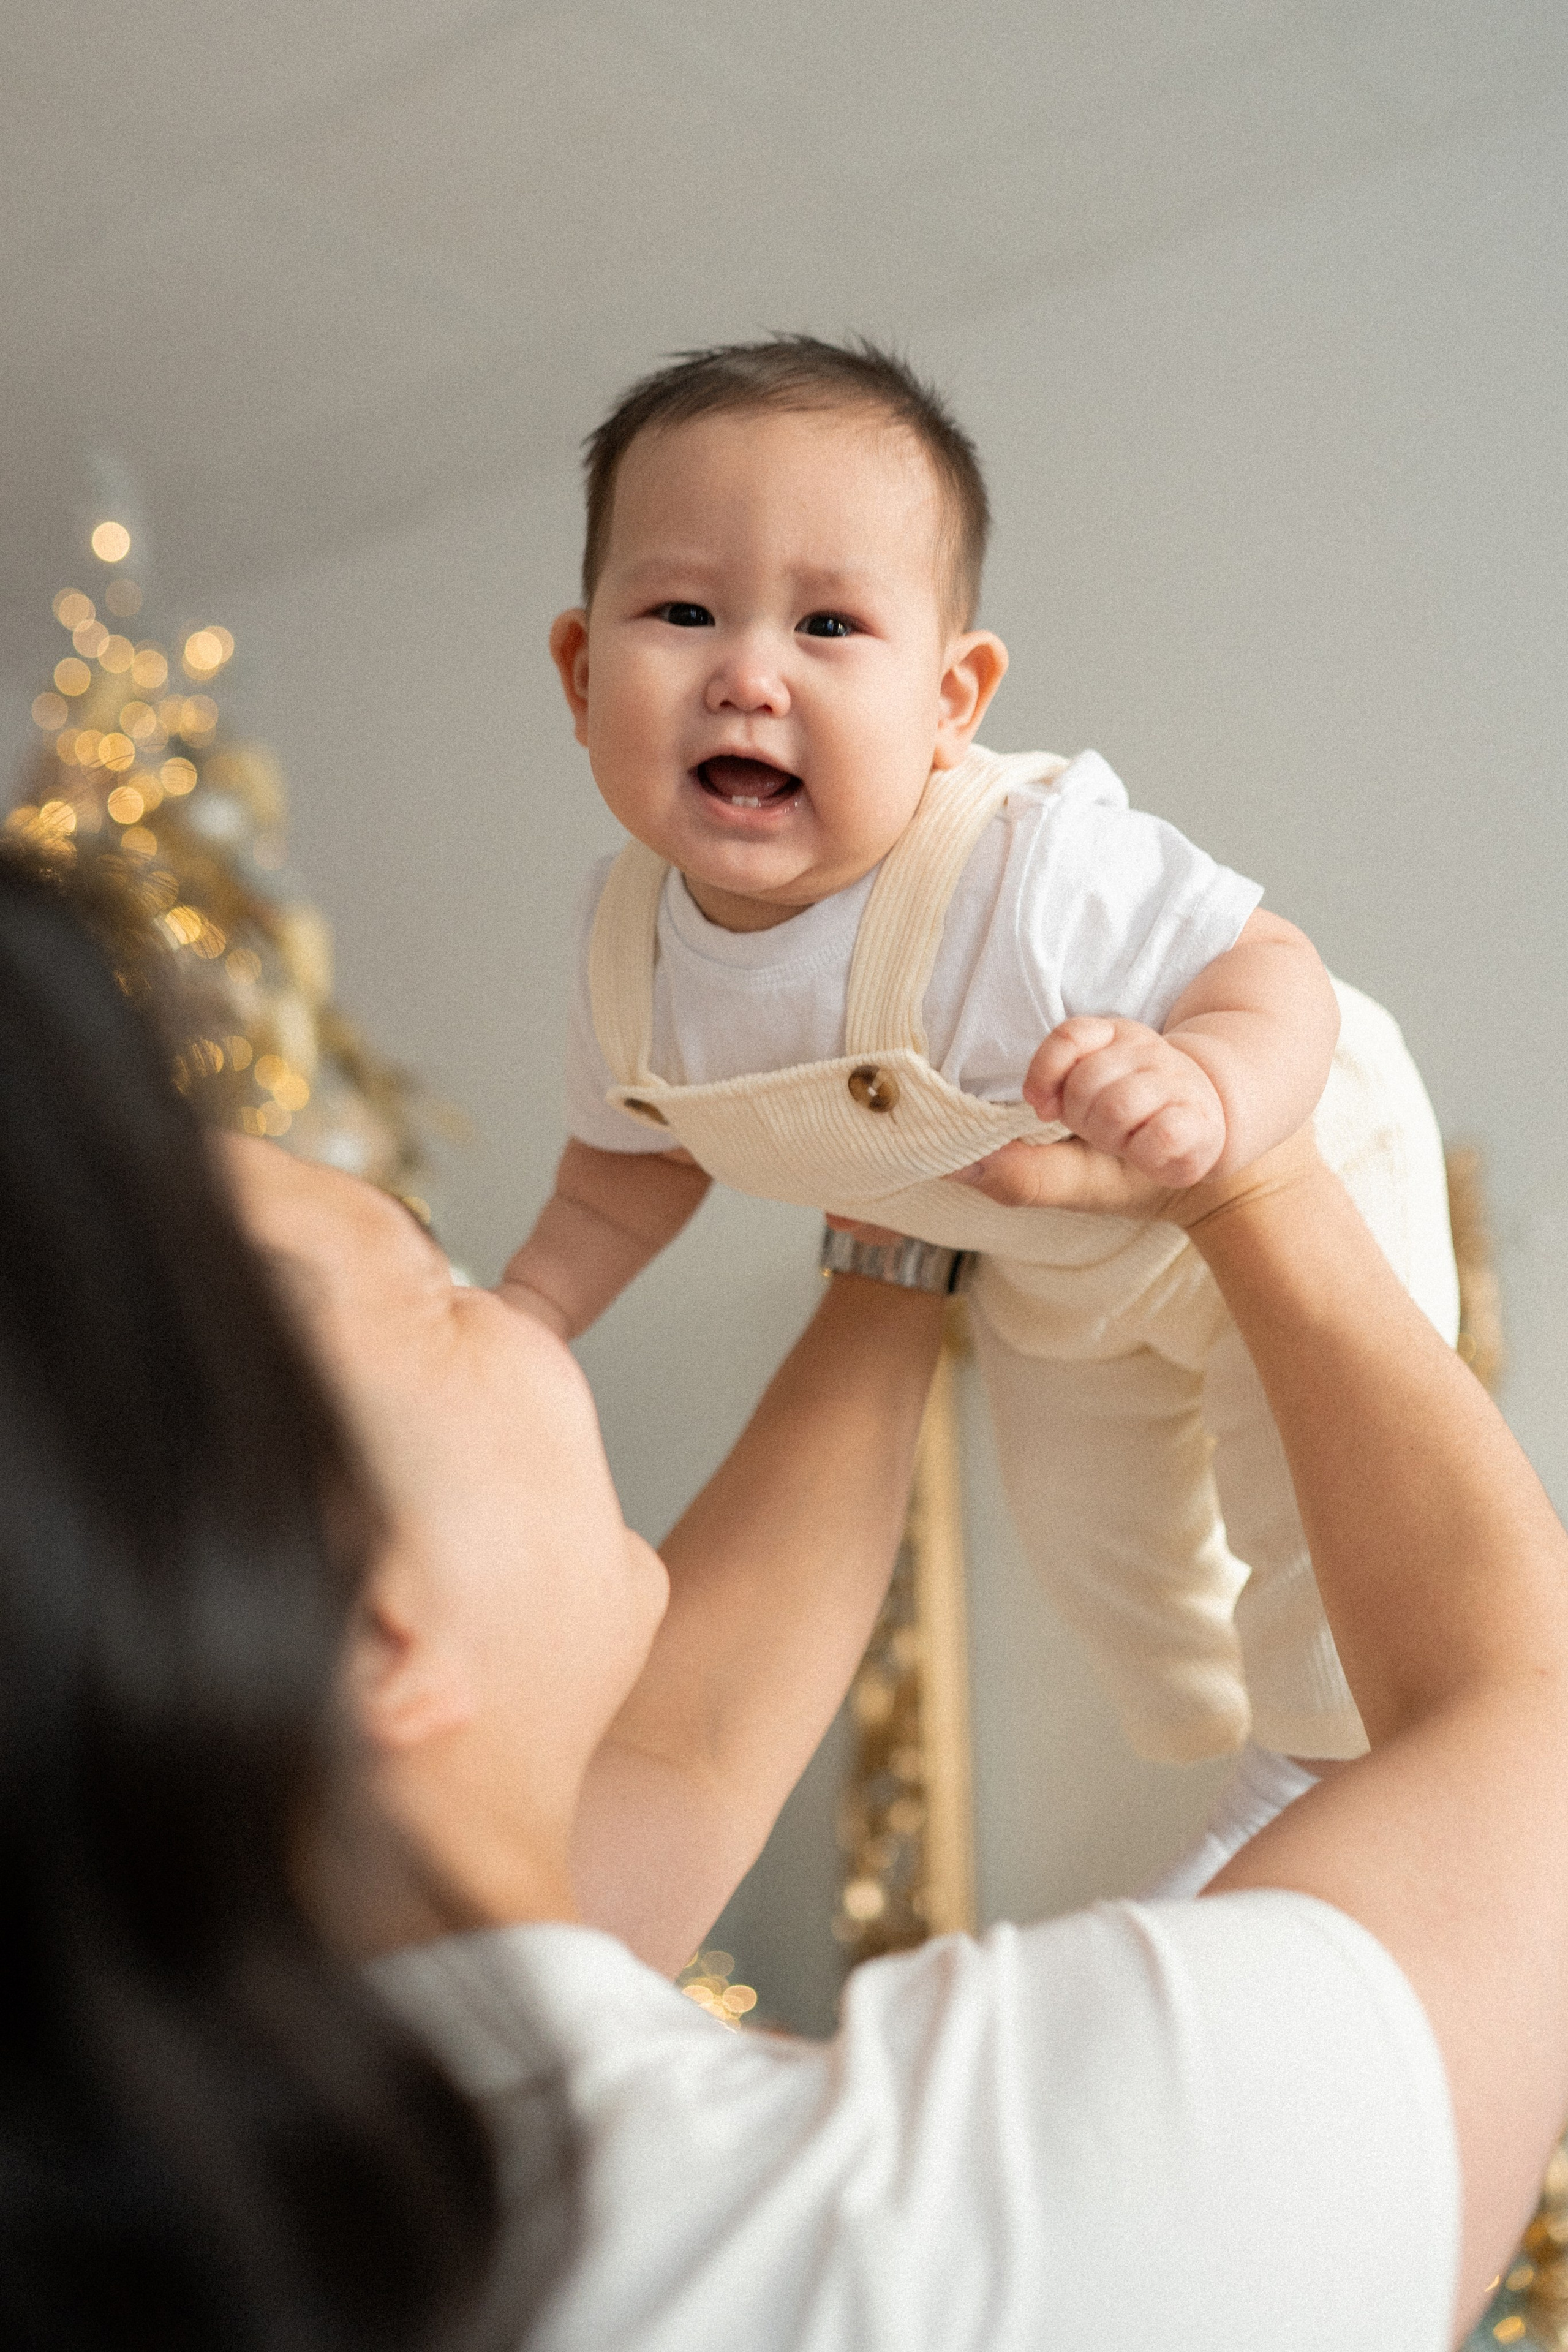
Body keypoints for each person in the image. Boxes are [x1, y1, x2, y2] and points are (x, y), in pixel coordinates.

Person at [6, 859, 1567, 2352]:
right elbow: (1517, 1725)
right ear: (377, 1632)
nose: (522, 1315)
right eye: (444, 1293)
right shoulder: (917, 2245)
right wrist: (1250, 1176)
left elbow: (682, 1752)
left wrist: (893, 1239)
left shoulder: (238, 2112)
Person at [500, 336, 1460, 1894]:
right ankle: (1220, 1728)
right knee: (1094, 1546)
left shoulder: (1015, 869)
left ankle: (1313, 1763)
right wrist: (528, 1313)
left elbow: (1268, 965)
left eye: (827, 624)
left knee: (1296, 1485)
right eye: (681, 612)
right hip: (1052, 1273)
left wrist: (1208, 1083)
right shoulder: (627, 954)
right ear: (578, 670)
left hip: (1288, 1167)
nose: (749, 670)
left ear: (951, 700)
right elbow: (626, 1169)